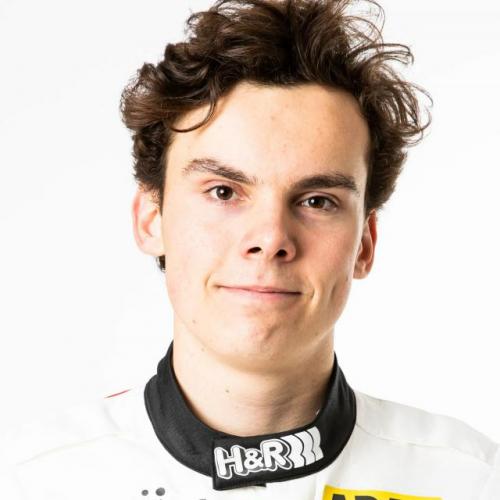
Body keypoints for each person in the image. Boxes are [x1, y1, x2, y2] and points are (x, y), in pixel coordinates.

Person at [1, 0, 498, 499]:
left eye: (317, 200)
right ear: (151, 220)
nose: (271, 238)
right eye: (223, 192)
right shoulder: (32, 482)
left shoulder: (471, 482)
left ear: (365, 243)